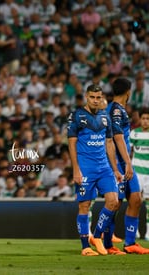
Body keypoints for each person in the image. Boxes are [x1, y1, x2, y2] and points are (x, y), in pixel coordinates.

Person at [67, 84, 122, 256]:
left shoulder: (105, 117)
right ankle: (85, 247)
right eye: (92, 97)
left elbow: (109, 143)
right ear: (86, 97)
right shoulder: (76, 116)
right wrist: (76, 170)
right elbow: (72, 144)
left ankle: (97, 236)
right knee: (84, 205)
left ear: (102, 98)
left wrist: (115, 169)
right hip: (86, 169)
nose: (96, 100)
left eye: (98, 97)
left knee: (113, 202)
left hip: (104, 167)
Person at [104, 78, 149, 254]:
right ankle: (107, 244)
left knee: (136, 199)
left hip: (125, 163)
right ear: (128, 92)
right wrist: (128, 163)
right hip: (119, 164)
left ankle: (130, 243)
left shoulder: (119, 109)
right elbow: (117, 138)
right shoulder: (115, 110)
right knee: (115, 203)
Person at [130, 109, 149, 240]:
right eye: (143, 118)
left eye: (148, 118)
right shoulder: (134, 133)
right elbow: (127, 151)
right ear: (140, 119)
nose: (145, 121)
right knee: (135, 202)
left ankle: (148, 232)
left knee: (148, 203)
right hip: (137, 172)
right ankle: (134, 230)